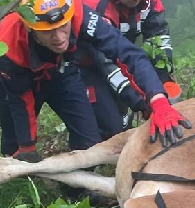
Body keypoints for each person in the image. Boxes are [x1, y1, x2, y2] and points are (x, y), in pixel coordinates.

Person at [0, 0, 190, 162]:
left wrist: (157, 99)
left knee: (89, 142)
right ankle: (14, 183)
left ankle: (77, 192)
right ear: (32, 29)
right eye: (48, 31)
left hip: (62, 69)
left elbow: (127, 53)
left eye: (63, 27)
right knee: (16, 144)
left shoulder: (78, 12)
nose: (58, 37)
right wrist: (27, 145)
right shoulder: (9, 42)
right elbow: (20, 97)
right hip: (16, 77)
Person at [76, 0, 178, 139]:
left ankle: (123, 123)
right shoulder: (96, 6)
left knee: (145, 98)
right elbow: (106, 64)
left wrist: (164, 79)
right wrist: (140, 101)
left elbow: (158, 38)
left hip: (123, 54)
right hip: (85, 65)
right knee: (111, 130)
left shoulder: (151, 3)